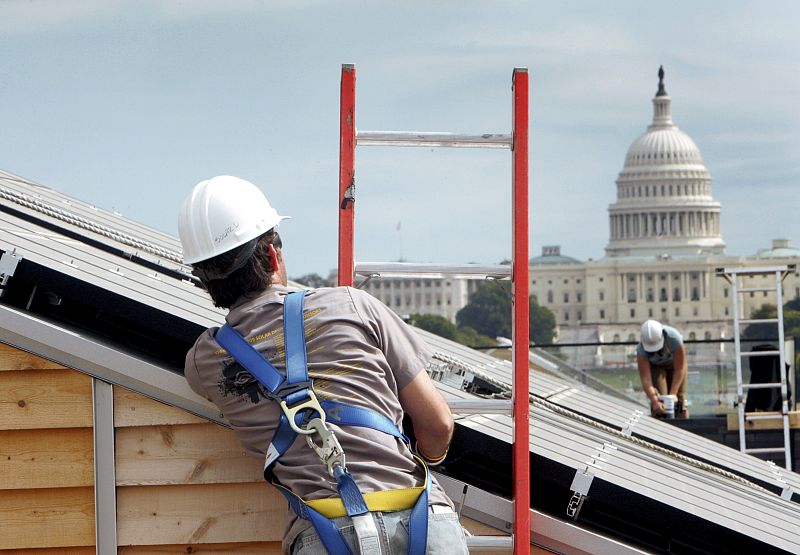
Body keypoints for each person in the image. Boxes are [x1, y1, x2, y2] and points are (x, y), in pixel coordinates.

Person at [178, 175, 468, 555]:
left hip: (323, 534)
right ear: (272, 255)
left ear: (205, 281)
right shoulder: (351, 305)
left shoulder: (205, 361)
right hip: (421, 522)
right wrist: (424, 461)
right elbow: (438, 424)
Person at [636, 319, 689, 418]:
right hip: (656, 367)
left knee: (679, 398)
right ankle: (659, 425)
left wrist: (673, 394)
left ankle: (683, 425)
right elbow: (646, 379)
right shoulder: (641, 350)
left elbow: (680, 368)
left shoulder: (674, 338)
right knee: (661, 398)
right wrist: (654, 400)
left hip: (675, 366)